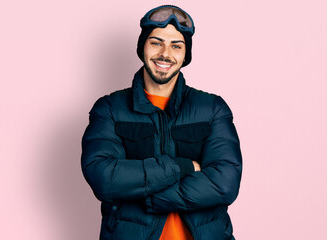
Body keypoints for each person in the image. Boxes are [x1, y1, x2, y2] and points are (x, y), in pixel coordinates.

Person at [81, 5, 242, 240]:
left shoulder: (212, 109)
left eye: (176, 45)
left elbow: (225, 183)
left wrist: (148, 196)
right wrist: (183, 167)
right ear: (142, 47)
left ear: (185, 54)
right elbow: (103, 177)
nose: (165, 53)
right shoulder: (110, 109)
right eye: (156, 42)